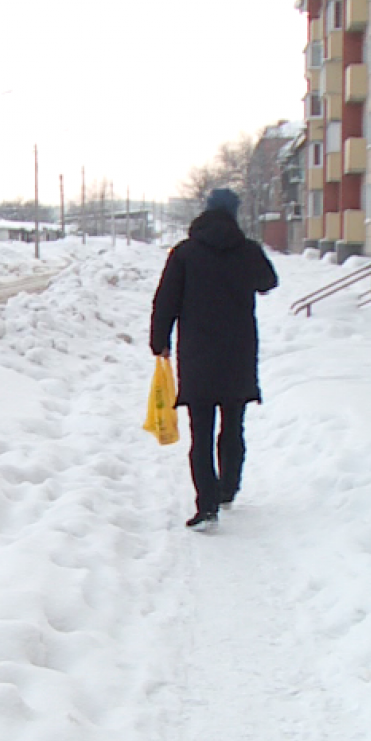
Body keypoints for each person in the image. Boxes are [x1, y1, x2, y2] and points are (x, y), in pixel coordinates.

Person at [149, 188, 279, 529]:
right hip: (238, 354)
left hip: (198, 356)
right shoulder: (248, 251)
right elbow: (269, 281)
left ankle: (207, 506)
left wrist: (159, 342)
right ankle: (228, 488)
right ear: (234, 214)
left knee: (201, 432)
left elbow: (165, 300)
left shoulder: (185, 253)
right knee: (233, 425)